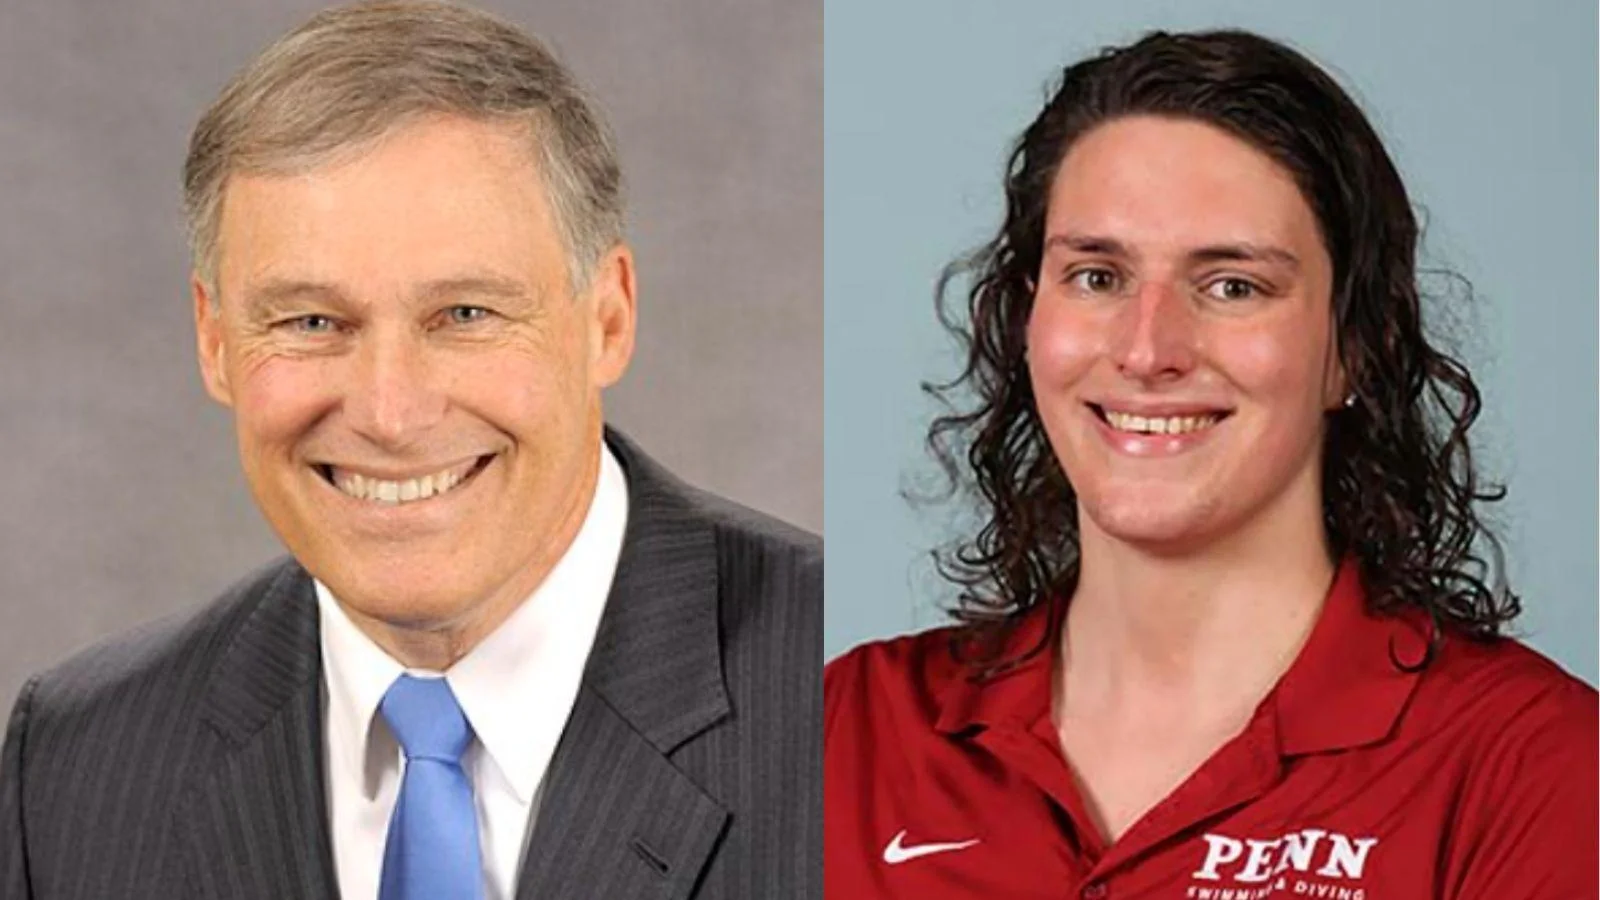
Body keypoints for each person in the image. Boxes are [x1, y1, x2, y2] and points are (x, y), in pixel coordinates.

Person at [0, 3, 820, 898]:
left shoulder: (845, 697)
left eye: (466, 314)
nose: (390, 412)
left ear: (607, 318)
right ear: (214, 340)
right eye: (311, 321)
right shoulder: (79, 765)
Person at [825, 29, 1596, 899]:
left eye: (1233, 285)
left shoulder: (1530, 767)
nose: (1148, 349)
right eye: (1096, 276)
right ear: (1025, 321)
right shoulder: (848, 730)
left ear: (1355, 348)